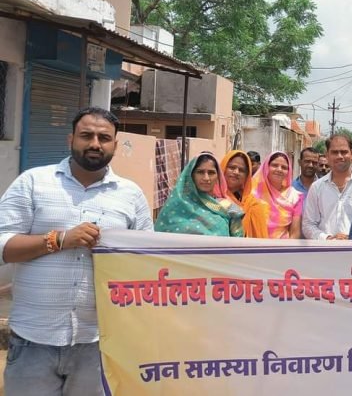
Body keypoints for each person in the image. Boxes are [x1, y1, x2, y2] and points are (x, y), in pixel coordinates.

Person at [0, 107, 153, 395]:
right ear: (71, 139)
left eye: (103, 138)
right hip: (33, 340)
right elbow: (3, 247)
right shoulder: (33, 182)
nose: (95, 143)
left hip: (98, 342)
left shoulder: (131, 195)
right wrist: (59, 239)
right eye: (86, 135)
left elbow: (145, 260)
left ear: (115, 145)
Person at [302, 134, 352, 240]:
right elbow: (308, 225)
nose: (340, 156)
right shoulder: (316, 187)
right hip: (325, 248)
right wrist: (327, 238)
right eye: (335, 152)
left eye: (344, 152)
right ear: (327, 155)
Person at [155, 152, 245, 237]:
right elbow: (160, 240)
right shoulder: (176, 207)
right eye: (200, 172)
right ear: (191, 175)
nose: (206, 178)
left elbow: (238, 243)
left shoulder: (228, 209)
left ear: (218, 176)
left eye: (211, 173)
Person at [220, 150, 270, 238]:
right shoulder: (211, 198)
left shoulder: (253, 205)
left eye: (241, 170)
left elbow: (260, 240)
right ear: (223, 168)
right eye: (232, 167)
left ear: (247, 176)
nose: (236, 172)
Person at [254, 151, 304, 239]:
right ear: (266, 167)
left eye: (284, 167)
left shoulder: (295, 197)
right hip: (254, 244)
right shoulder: (253, 192)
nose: (279, 169)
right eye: (274, 165)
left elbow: (295, 233)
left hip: (282, 246)